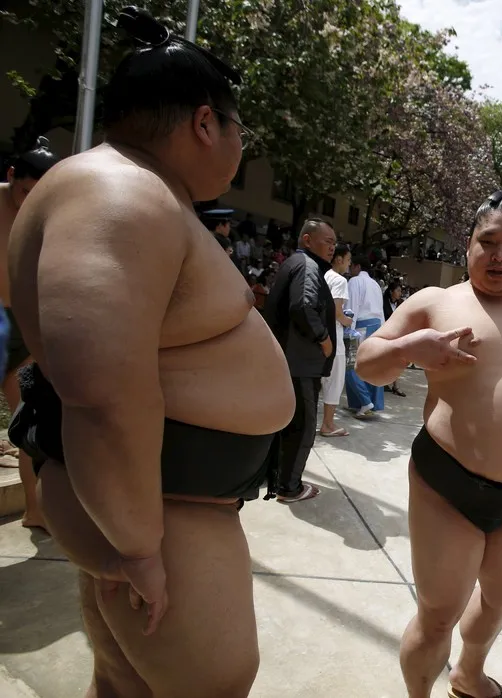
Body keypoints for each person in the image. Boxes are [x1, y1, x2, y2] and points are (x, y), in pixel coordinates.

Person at [6, 9, 295, 696]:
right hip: (163, 515)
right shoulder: (121, 195)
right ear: (205, 124)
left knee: (123, 684)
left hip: (161, 505)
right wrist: (137, 547)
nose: (237, 151)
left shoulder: (112, 190)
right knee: (213, 684)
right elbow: (100, 391)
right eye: (238, 134)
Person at [355, 191, 502, 698]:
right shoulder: (435, 302)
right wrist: (407, 349)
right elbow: (368, 361)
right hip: (448, 484)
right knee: (439, 611)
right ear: (468, 247)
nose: (499, 255)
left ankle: (468, 674)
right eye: (488, 242)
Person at [0, 136, 59, 531]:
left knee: (25, 419)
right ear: (11, 176)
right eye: (24, 190)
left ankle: (34, 510)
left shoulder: (48, 214)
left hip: (25, 319)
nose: (27, 201)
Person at [263, 218, 338, 503]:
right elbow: (303, 306)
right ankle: (289, 487)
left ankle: (279, 478)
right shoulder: (306, 266)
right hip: (299, 364)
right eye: (327, 241)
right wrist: (324, 338)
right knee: (303, 426)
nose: (332, 247)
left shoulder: (298, 264)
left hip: (291, 361)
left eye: (334, 242)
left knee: (289, 425)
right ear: (307, 240)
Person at [344, 253, 385, 419]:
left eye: (351, 265)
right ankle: (365, 403)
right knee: (371, 365)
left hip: (360, 326)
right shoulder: (375, 284)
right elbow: (380, 310)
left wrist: (349, 330)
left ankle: (365, 401)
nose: (350, 268)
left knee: (350, 365)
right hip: (376, 326)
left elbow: (352, 307)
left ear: (357, 266)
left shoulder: (354, 281)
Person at [319, 243, 353, 438]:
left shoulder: (323, 276)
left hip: (320, 335)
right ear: (339, 259)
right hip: (334, 336)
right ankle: (328, 424)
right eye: (348, 260)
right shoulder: (340, 281)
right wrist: (347, 321)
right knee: (334, 381)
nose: (348, 265)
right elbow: (337, 312)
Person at [383, 279, 407, 398]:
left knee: (397, 360)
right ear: (391, 291)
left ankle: (395, 385)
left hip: (397, 336)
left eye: (400, 291)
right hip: (385, 335)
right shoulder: (383, 303)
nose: (400, 293)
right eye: (398, 290)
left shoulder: (401, 303)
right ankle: (383, 382)